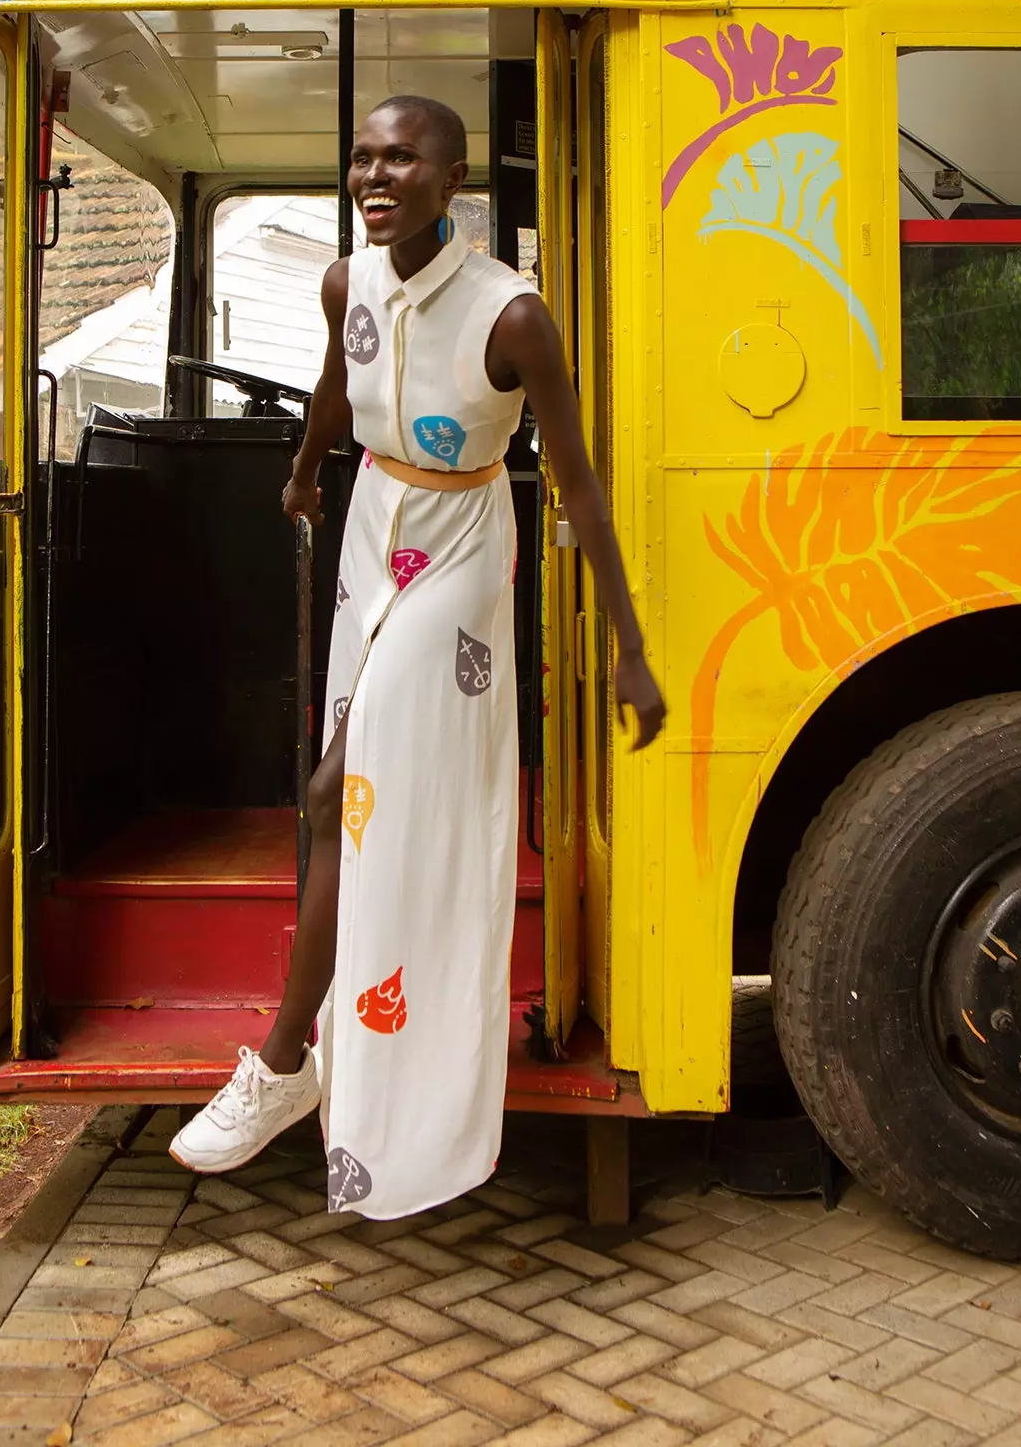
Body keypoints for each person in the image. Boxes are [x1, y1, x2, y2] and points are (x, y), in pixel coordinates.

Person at [171, 94, 665, 1214]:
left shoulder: (512, 315)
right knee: (341, 802)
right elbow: (338, 390)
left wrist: (629, 645)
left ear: (454, 181)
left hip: (459, 552)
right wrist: (304, 472)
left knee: (334, 784)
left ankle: (285, 1061)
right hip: (370, 530)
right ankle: (324, 1045)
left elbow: (577, 485)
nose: (376, 175)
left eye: (403, 158)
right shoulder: (348, 279)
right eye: (362, 156)